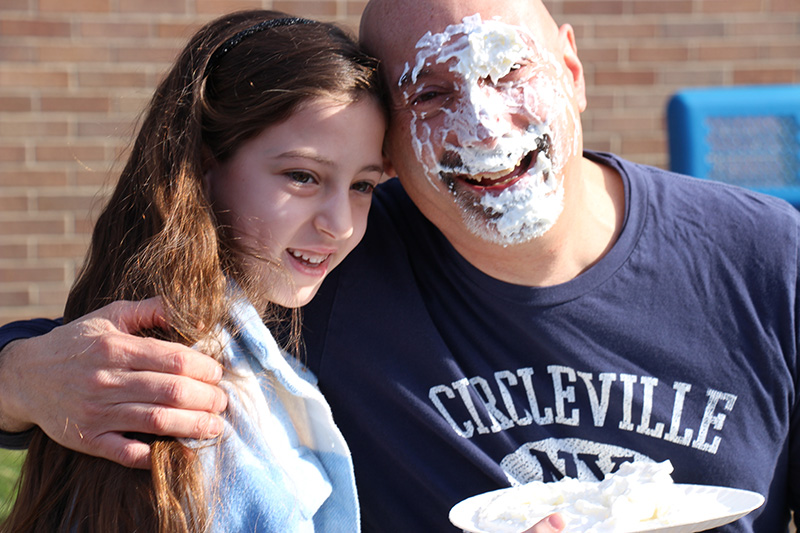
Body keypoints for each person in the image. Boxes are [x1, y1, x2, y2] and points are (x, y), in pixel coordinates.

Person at [0, 0, 797, 531]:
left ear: (574, 72)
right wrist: (18, 378)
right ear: (390, 133)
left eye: (508, 71)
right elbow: (140, 336)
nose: (481, 125)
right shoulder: (333, 258)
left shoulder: (768, 260)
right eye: (433, 94)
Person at [0, 9, 389, 532]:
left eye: (363, 185)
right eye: (302, 176)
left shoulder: (274, 317)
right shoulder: (174, 385)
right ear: (205, 166)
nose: (340, 224)